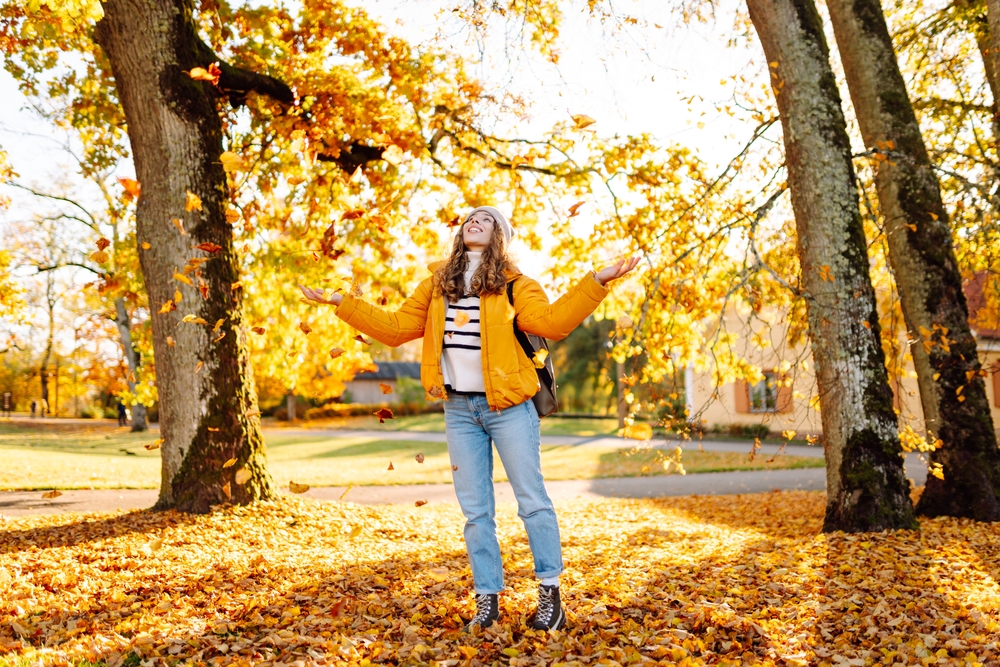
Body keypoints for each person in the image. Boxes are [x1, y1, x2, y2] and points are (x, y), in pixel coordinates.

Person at [300, 206, 639, 632]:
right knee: (476, 513)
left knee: (532, 503)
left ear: (501, 235)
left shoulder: (516, 286)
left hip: (509, 408)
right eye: (470, 219)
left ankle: (551, 596)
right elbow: (394, 328)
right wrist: (340, 302)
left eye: (487, 219)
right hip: (459, 410)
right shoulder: (436, 286)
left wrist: (596, 282)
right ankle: (487, 601)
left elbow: (552, 323)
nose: (474, 221)